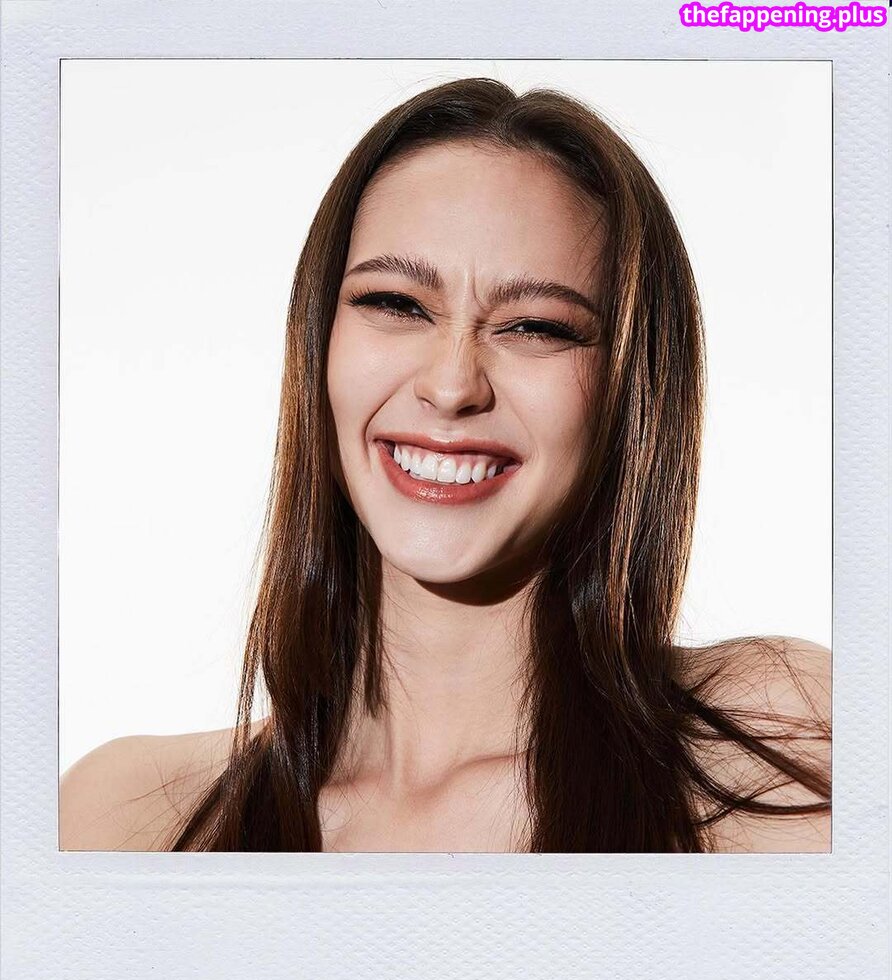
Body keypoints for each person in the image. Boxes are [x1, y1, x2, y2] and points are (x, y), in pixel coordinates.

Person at [60, 77, 831, 853]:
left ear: (631, 386)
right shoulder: (126, 821)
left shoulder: (784, 751)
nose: (453, 384)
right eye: (395, 304)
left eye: (536, 326)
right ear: (319, 343)